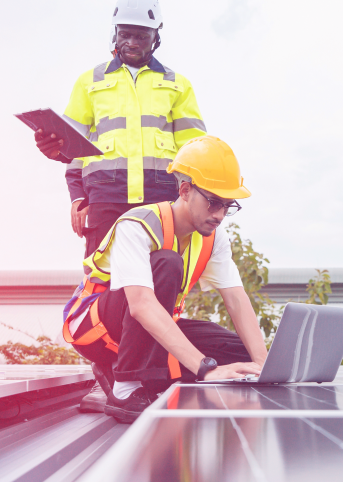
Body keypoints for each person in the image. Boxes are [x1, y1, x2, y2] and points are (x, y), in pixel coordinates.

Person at [34, 0, 207, 411]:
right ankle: (108, 380)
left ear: (156, 37)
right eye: (125, 33)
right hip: (105, 197)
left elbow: (196, 150)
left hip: (161, 199)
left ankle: (140, 377)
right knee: (106, 288)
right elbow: (71, 147)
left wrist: (199, 200)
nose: (132, 41)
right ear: (114, 35)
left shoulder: (177, 85)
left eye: (141, 35)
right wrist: (76, 191)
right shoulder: (89, 82)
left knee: (161, 278)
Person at [61, 136, 267, 423]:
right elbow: (142, 306)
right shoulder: (138, 224)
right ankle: (126, 385)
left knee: (239, 354)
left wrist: (263, 364)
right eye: (213, 203)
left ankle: (152, 377)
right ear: (185, 190)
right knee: (167, 262)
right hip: (95, 329)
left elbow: (236, 299)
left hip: (146, 329)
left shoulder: (213, 236)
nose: (220, 215)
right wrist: (205, 369)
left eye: (227, 206)